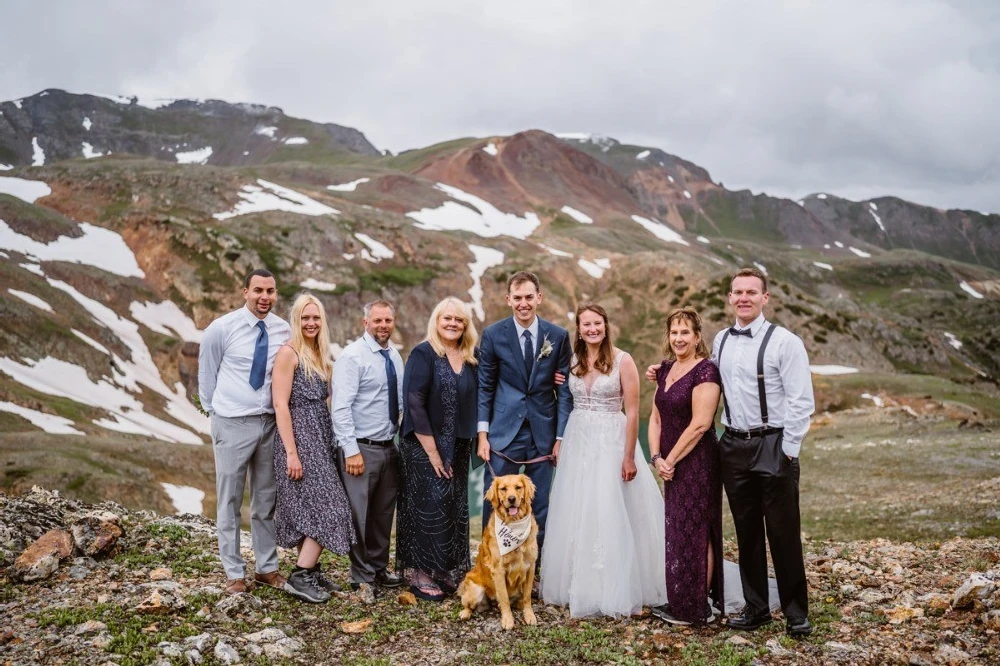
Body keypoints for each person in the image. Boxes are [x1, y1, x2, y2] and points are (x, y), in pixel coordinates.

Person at [540, 303, 667, 617]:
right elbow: (565, 400)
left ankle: (617, 585)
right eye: (586, 325)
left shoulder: (623, 360)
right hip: (578, 439)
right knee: (576, 507)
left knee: (610, 507)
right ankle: (577, 582)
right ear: (579, 330)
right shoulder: (572, 361)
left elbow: (634, 411)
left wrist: (628, 456)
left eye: (597, 323)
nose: (592, 329)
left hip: (612, 439)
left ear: (605, 326)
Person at [715, 267, 815, 638]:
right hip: (734, 444)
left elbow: (802, 401)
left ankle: (795, 613)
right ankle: (756, 609)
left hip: (774, 444)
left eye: (751, 292)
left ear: (765, 298)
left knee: (783, 532)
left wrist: (788, 451)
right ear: (730, 297)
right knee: (747, 533)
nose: (744, 298)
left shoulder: (785, 342)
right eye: (737, 292)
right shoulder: (720, 339)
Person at [198, 269, 291, 596]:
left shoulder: (284, 330)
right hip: (232, 424)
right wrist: (218, 413)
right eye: (258, 290)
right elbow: (206, 379)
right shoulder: (220, 329)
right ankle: (234, 573)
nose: (264, 297)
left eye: (270, 290)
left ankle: (267, 568)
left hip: (268, 425)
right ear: (245, 292)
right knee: (230, 499)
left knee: (265, 500)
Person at [477, 271, 572, 554]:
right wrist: (483, 435)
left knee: (538, 503)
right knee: (494, 502)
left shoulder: (558, 336)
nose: (523, 304)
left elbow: (564, 390)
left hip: (543, 433)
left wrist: (560, 437)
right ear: (508, 300)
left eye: (529, 297)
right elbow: (485, 387)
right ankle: (492, 563)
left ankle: (534, 566)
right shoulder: (494, 335)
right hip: (503, 434)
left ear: (539, 298)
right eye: (517, 298)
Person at [271, 293, 355, 603]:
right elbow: (280, 405)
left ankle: (311, 569)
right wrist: (291, 452)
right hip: (299, 443)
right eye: (305, 317)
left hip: (319, 439)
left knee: (313, 509)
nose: (311, 322)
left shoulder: (317, 353)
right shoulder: (288, 353)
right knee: (333, 508)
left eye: (316, 317)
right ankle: (300, 576)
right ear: (296, 320)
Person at [397, 297, 479, 601]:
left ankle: (443, 568)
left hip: (457, 444)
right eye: (447, 318)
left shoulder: (472, 355)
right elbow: (414, 401)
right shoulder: (423, 353)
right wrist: (432, 452)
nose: (453, 324)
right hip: (423, 444)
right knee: (426, 504)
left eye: (459, 320)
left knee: (452, 504)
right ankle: (420, 573)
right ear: (437, 320)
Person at [647, 307, 724, 626]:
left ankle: (696, 606)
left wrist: (671, 460)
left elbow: (701, 424)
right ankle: (680, 598)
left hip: (697, 462)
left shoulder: (706, 371)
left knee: (698, 530)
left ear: (696, 337)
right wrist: (655, 457)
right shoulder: (664, 370)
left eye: (685, 333)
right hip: (668, 464)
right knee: (677, 530)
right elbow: (654, 418)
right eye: (674, 332)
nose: (678, 338)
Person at [332, 299, 405, 595]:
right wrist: (351, 450)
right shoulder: (353, 357)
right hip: (361, 448)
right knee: (359, 514)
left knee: (382, 513)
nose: (383, 326)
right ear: (365, 323)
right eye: (377, 321)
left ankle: (378, 567)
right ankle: (360, 575)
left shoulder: (395, 356)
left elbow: (398, 402)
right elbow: (340, 408)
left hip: (389, 446)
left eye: (387, 320)